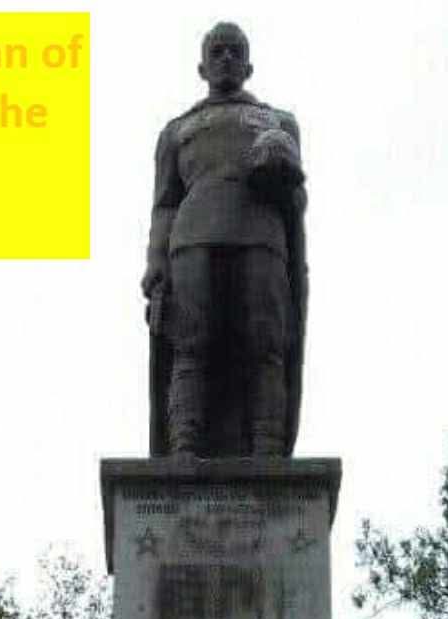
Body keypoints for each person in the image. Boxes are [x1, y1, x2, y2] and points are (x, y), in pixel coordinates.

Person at [143, 22, 307, 457]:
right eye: (217, 52)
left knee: (265, 342)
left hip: (261, 238)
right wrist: (155, 262)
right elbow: (164, 204)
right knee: (191, 343)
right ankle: (184, 444)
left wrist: (281, 176)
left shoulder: (279, 122)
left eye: (235, 51)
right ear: (202, 67)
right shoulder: (177, 131)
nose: (227, 58)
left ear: (249, 66)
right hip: (192, 241)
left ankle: (267, 446)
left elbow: (298, 197)